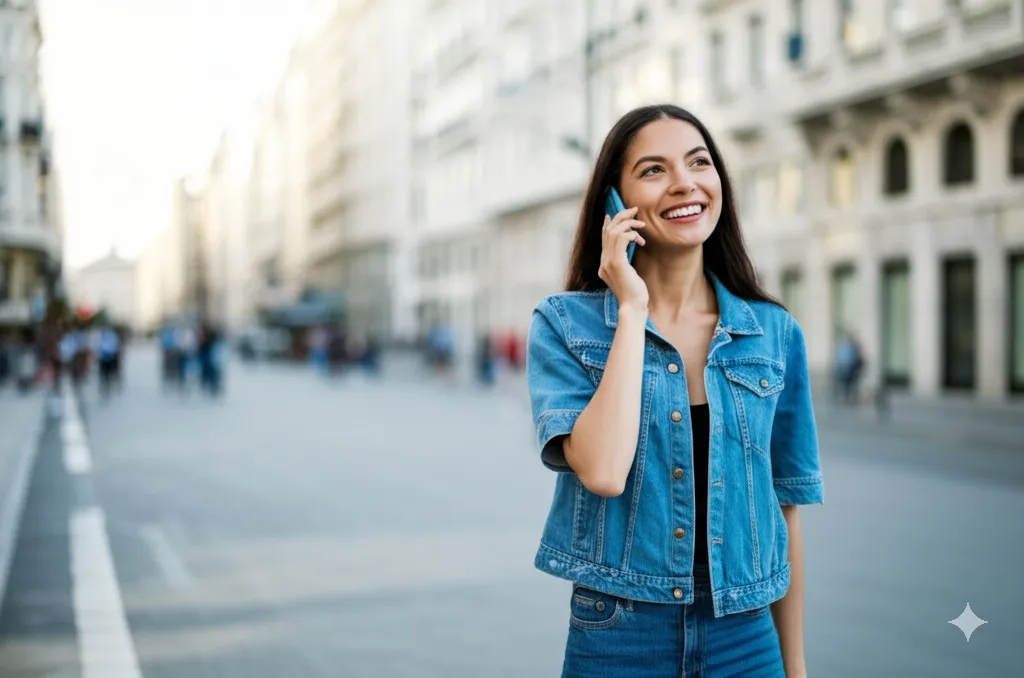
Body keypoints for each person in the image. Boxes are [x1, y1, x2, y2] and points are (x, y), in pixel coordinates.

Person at [526, 104, 824, 677]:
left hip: (746, 634)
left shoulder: (774, 333)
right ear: (616, 203)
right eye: (654, 170)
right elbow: (604, 471)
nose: (685, 182)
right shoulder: (566, 325)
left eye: (699, 162)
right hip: (618, 635)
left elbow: (785, 509)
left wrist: (796, 667)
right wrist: (632, 307)